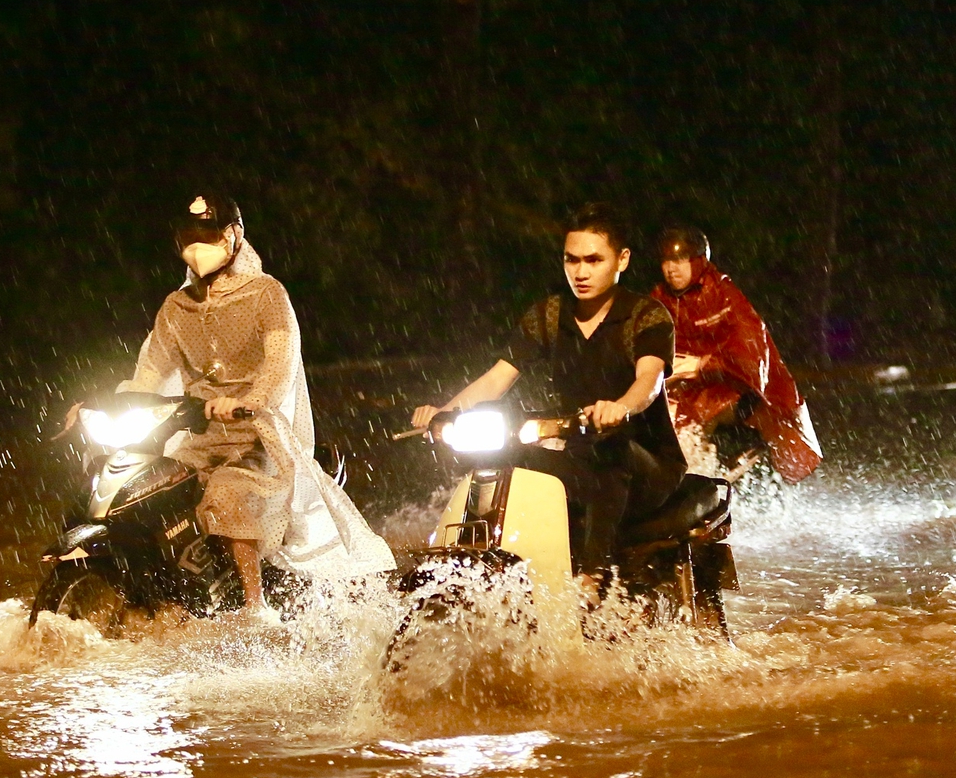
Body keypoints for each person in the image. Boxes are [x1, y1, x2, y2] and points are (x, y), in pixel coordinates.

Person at [102, 192, 395, 618]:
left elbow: (281, 363)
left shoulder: (266, 295)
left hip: (258, 435)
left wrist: (248, 403)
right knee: (145, 488)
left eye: (208, 235)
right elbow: (151, 368)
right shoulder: (176, 307)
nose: (196, 246)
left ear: (234, 235)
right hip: (197, 434)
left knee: (229, 492)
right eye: (188, 237)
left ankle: (255, 609)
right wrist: (111, 403)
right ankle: (157, 592)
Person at [410, 202, 687, 595]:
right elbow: (497, 377)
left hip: (646, 463)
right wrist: (445, 411)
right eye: (571, 260)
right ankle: (477, 571)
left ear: (622, 260)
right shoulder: (549, 314)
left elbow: (650, 380)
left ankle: (593, 580)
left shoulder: (647, 316)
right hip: (579, 454)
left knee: (614, 448)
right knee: (504, 457)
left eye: (594, 259)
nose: (581, 271)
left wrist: (620, 407)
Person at [652, 226, 822, 483]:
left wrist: (703, 365)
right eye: (666, 261)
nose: (671, 268)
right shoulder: (659, 298)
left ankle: (698, 479)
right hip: (678, 387)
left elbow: (751, 351)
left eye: (679, 260)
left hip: (731, 387)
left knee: (702, 412)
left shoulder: (722, 293)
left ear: (698, 261)